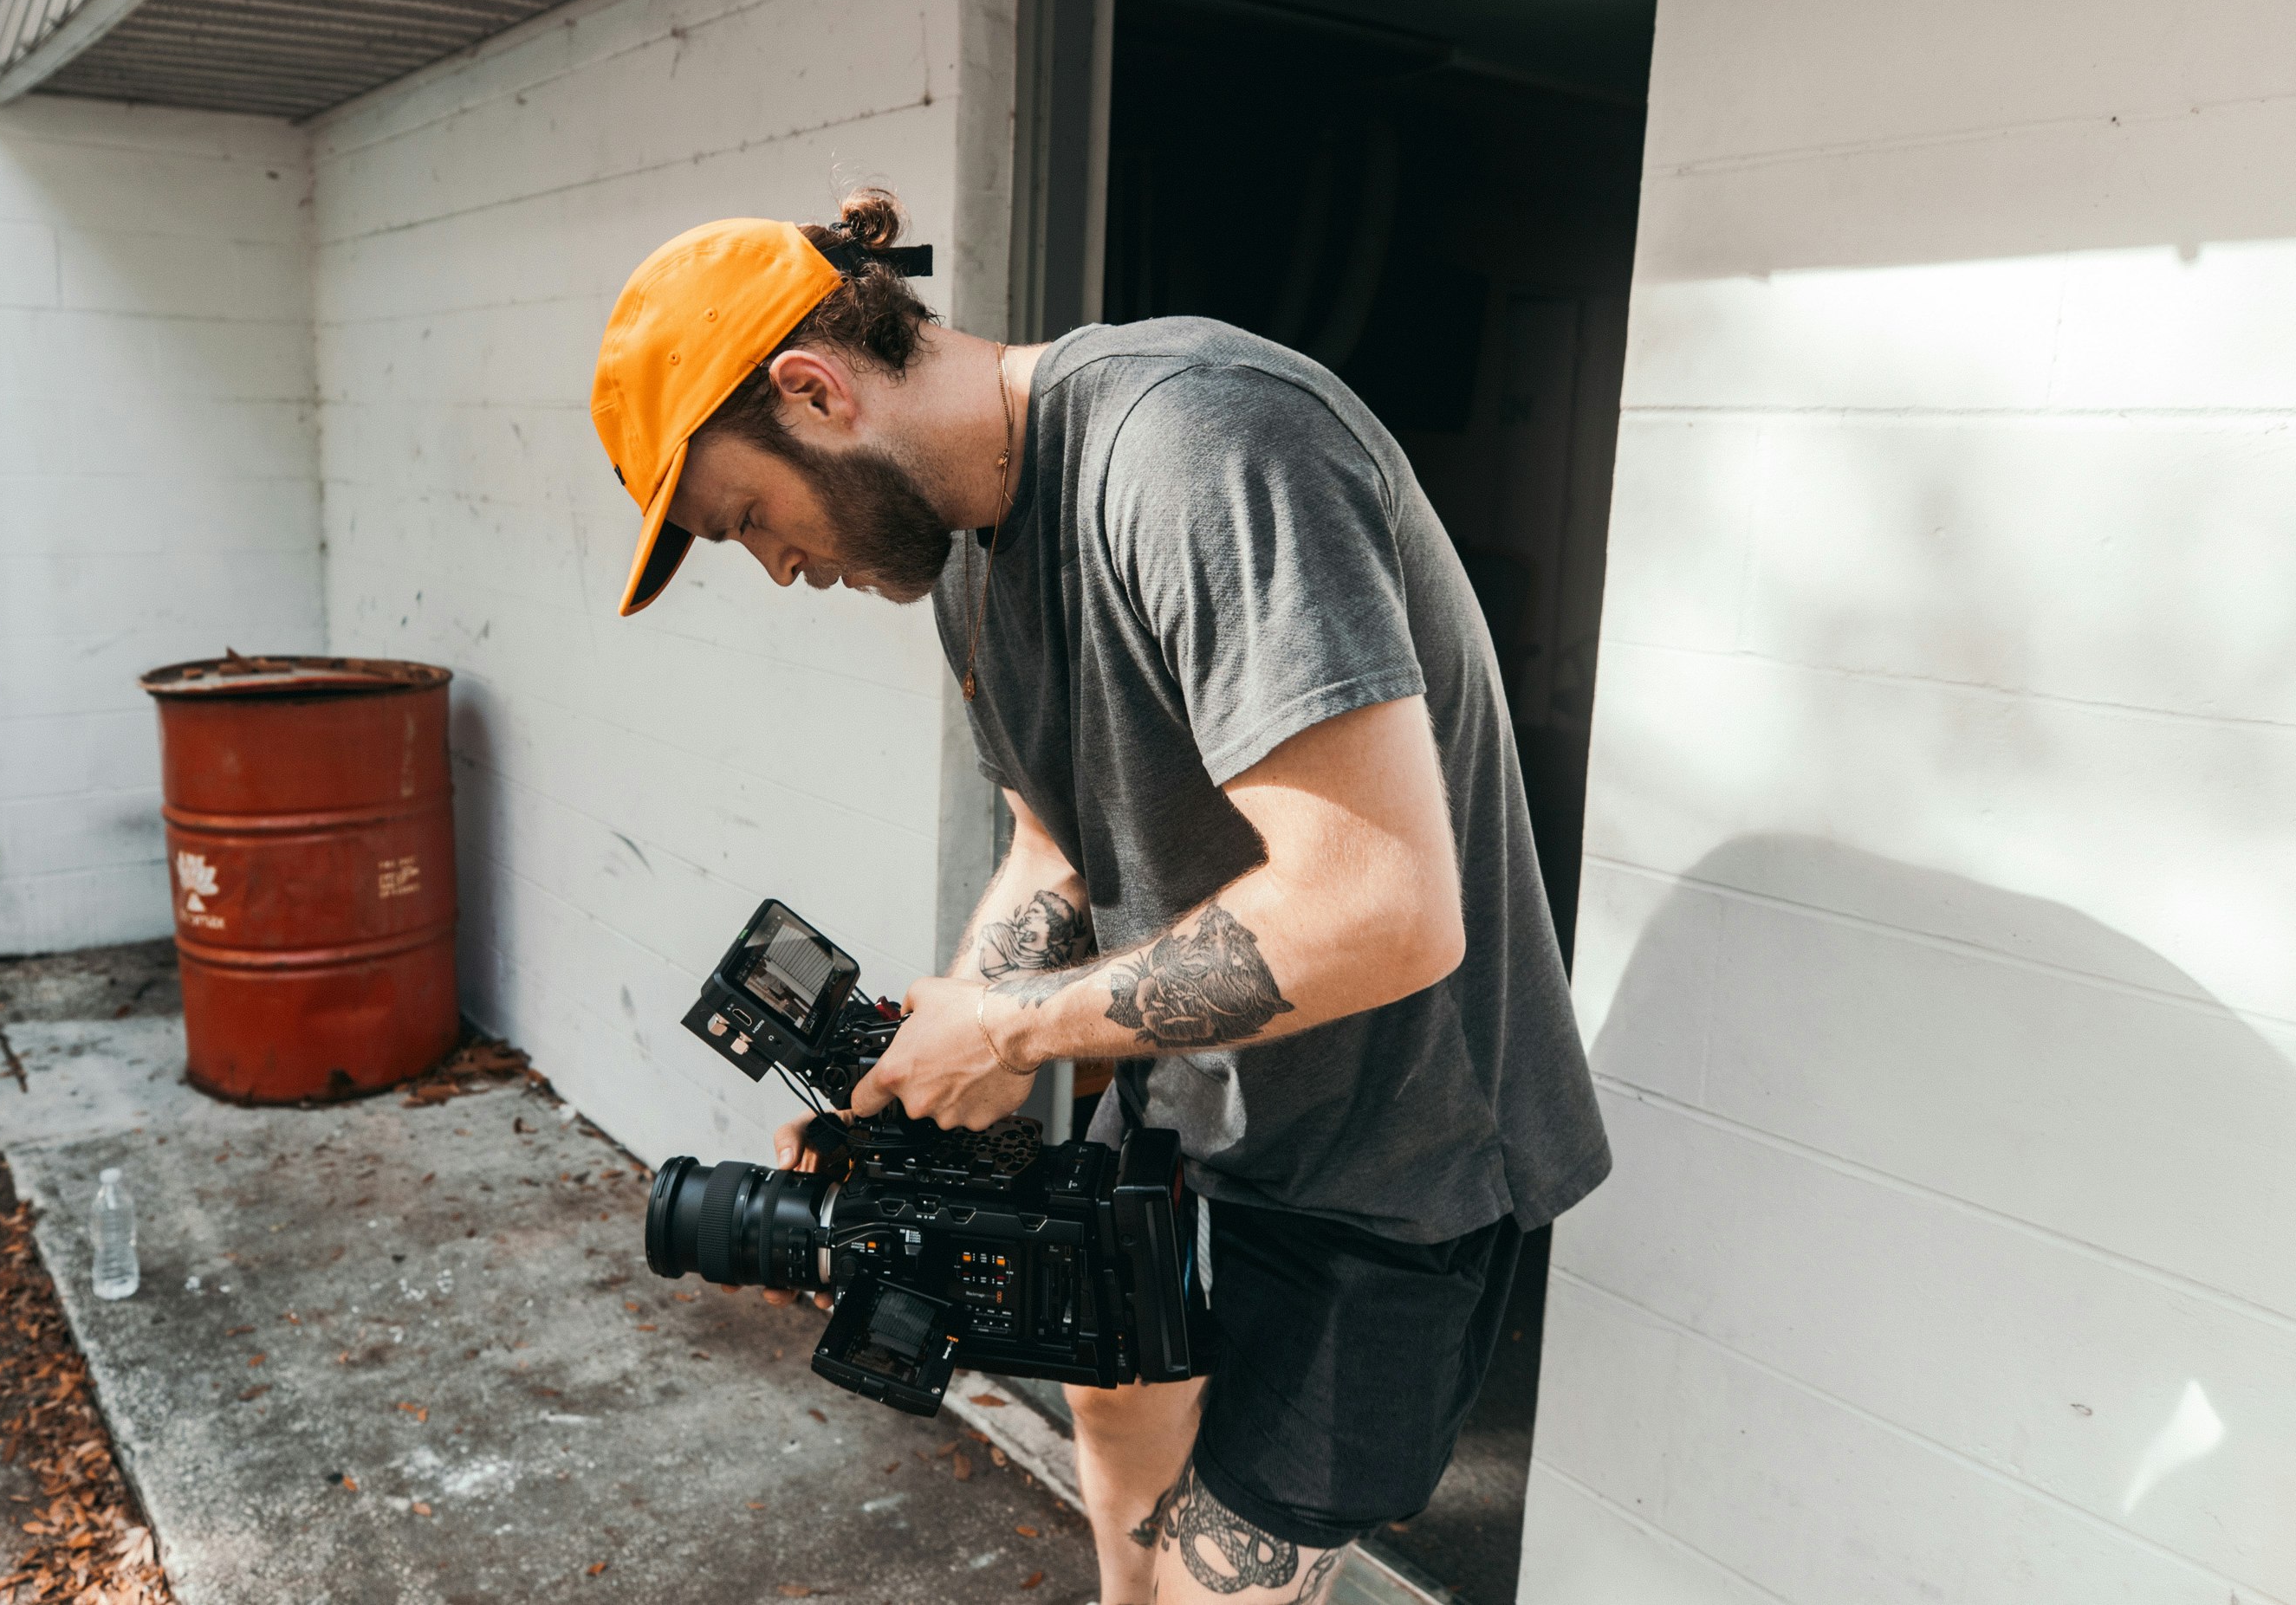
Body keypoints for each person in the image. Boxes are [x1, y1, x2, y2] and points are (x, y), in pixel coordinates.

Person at [590, 190, 1609, 1605]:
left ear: (813, 392)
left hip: (1389, 1149)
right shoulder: (966, 560)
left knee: (1219, 1576)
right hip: (1189, 1113)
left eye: (748, 518)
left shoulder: (1202, 442)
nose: (777, 567)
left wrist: (1011, 1031)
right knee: (1118, 1423)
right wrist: (915, 1097)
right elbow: (1054, 850)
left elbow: (1385, 903)